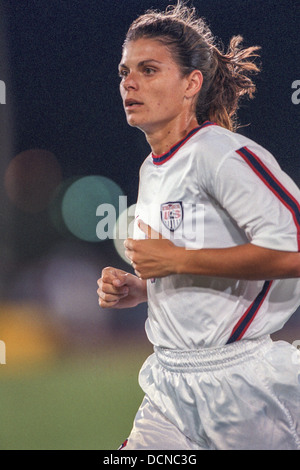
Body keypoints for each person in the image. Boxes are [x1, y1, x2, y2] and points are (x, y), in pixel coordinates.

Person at [97, 2, 300, 450]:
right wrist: (146, 288)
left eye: (148, 70)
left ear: (192, 83)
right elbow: (199, 267)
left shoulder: (222, 154)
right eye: (124, 71)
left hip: (242, 388)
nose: (129, 82)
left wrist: (176, 260)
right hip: (170, 383)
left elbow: (293, 252)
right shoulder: (152, 168)